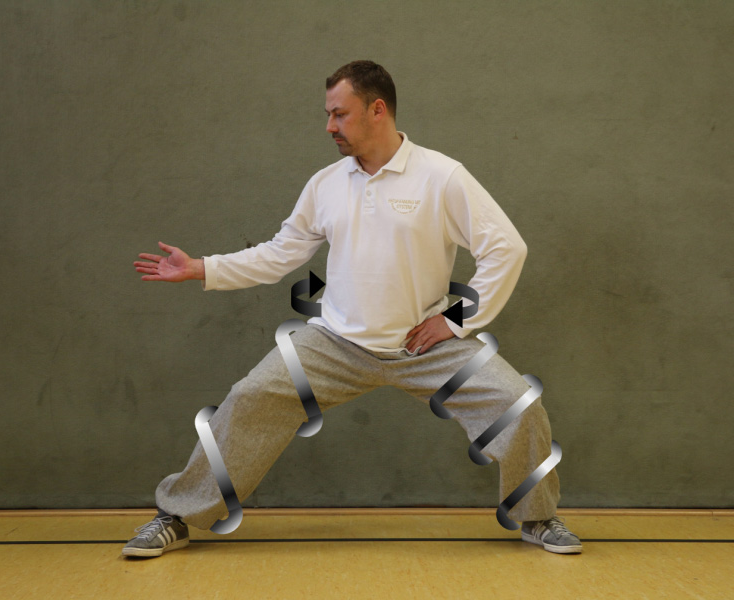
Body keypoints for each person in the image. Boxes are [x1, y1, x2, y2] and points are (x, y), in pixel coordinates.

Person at [125, 60, 581, 558]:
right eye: (328, 114)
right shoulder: (326, 184)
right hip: (334, 344)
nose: (329, 126)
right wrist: (201, 268)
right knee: (250, 397)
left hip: (423, 348)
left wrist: (454, 322)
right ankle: (177, 515)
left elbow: (506, 248)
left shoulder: (442, 176)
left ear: (376, 110)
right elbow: (280, 253)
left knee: (519, 405)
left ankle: (538, 517)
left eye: (339, 114)